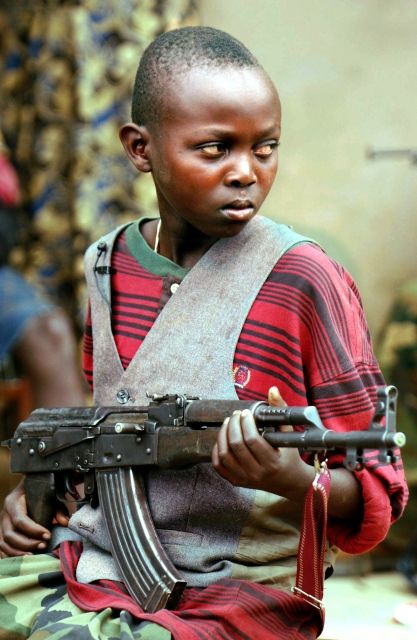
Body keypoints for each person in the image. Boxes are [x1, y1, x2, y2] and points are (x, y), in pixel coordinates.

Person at [0, 26, 408, 640]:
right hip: (98, 557)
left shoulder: (303, 279)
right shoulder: (107, 265)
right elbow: (107, 432)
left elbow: (379, 485)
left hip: (237, 590)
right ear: (141, 149)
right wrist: (39, 498)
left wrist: (289, 478)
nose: (245, 172)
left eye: (265, 148)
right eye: (215, 149)